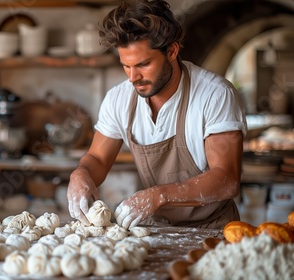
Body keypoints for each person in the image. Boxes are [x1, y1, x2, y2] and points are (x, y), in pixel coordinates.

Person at [67, 0, 247, 229]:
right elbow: (98, 159)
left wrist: (158, 196)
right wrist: (80, 174)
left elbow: (226, 179)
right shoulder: (119, 99)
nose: (133, 77)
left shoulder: (215, 94)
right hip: (155, 229)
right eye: (126, 66)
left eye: (143, 64)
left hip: (212, 229)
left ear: (172, 51)